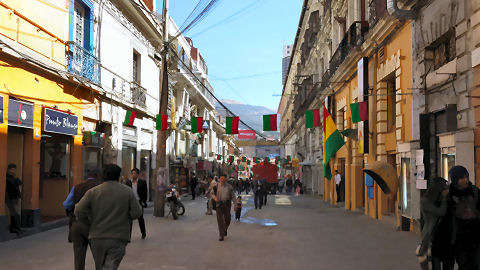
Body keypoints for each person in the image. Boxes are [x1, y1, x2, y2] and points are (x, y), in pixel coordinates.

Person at [75, 164, 142, 270]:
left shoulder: (93, 192)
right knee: (111, 266)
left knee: (100, 266)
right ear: (118, 176)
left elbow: (78, 211)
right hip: (119, 236)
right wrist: (125, 217)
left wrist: (88, 222)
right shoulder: (127, 191)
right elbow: (137, 213)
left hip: (97, 237)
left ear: (102, 176)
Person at [63, 168, 102, 270]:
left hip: (77, 224)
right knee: (99, 256)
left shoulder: (76, 187)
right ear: (98, 176)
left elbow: (66, 204)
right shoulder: (101, 188)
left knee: (78, 256)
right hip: (94, 225)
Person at [448, 165, 480, 270]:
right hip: (459, 237)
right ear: (455, 180)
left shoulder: (474, 191)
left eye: (467, 177)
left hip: (476, 234)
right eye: (462, 178)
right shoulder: (449, 194)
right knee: (464, 264)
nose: (466, 180)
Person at [417, 177, 452, 270]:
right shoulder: (426, 201)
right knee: (433, 263)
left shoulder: (440, 198)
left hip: (445, 235)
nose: (446, 190)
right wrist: (444, 199)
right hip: (431, 235)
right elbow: (441, 212)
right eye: (444, 188)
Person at [211, 174, 235, 241]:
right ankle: (221, 235)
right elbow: (212, 193)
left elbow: (233, 196)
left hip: (227, 204)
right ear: (219, 179)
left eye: (224, 179)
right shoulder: (216, 186)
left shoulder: (229, 187)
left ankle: (225, 229)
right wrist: (215, 198)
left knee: (228, 219)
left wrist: (235, 204)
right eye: (221, 178)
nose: (222, 180)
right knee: (220, 220)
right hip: (219, 204)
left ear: (226, 179)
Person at [125, 168, 147, 239]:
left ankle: (143, 233)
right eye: (132, 173)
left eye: (135, 173)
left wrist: (144, 201)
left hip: (139, 202)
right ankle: (128, 236)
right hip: (130, 202)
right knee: (129, 220)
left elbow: (145, 193)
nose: (133, 175)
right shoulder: (128, 182)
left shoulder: (142, 182)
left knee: (140, 218)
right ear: (131, 174)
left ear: (138, 175)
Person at [5, 164, 22, 234]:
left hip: (15, 197)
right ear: (8, 169)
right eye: (12, 169)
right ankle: (17, 229)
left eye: (14, 169)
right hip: (10, 197)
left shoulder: (13, 178)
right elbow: (10, 186)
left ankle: (13, 229)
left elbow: (20, 183)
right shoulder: (6, 178)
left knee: (13, 213)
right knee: (16, 213)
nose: (13, 171)